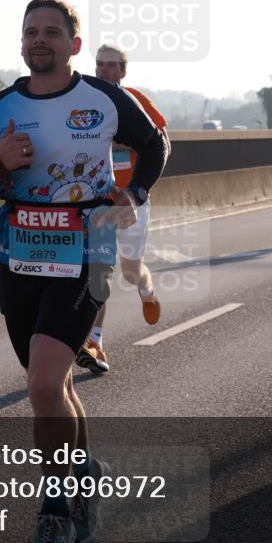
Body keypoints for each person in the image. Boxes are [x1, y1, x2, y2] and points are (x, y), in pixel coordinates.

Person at [0, 0, 168, 543]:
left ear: (73, 43)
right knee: (55, 388)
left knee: (43, 385)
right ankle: (83, 474)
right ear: (22, 44)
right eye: (30, 32)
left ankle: (55, 510)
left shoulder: (104, 98)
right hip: (20, 263)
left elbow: (154, 144)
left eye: (51, 32)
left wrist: (133, 194)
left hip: (84, 256)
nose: (39, 40)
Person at [76, 45, 168, 375]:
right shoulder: (84, 103)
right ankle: (94, 340)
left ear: (123, 71)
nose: (103, 71)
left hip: (131, 200)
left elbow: (160, 144)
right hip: (100, 200)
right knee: (99, 269)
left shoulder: (136, 102)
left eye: (111, 66)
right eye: (99, 65)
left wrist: (138, 186)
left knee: (130, 269)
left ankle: (147, 289)